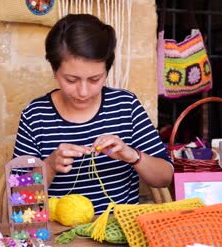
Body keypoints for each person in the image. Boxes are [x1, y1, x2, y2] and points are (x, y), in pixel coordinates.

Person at [12, 14, 174, 214]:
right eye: (71, 80)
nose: (83, 92)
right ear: (54, 71)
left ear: (107, 70)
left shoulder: (125, 105)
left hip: (118, 233)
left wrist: (131, 155)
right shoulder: (35, 116)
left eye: (95, 79)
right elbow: (18, 200)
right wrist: (50, 166)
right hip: (58, 238)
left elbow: (165, 177)